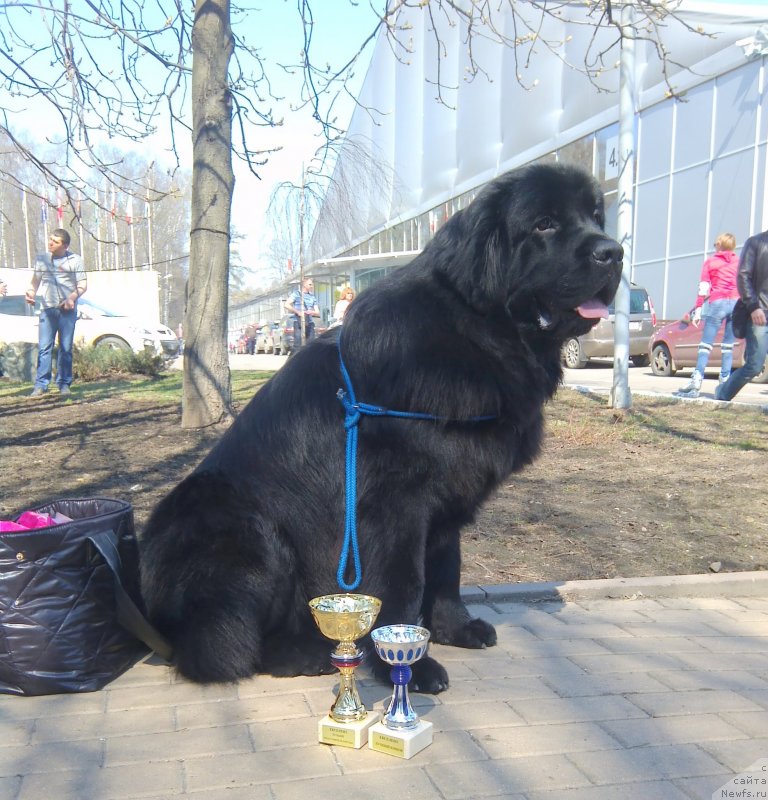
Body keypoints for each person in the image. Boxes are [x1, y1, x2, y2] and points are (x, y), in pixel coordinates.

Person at [677, 233, 740, 398]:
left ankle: (696, 380)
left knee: (705, 345)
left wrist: (698, 309)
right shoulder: (738, 262)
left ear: (719, 245)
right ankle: (725, 383)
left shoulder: (711, 262)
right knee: (728, 346)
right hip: (736, 303)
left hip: (717, 302)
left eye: (715, 244)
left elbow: (704, 287)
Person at [26, 229, 87, 397]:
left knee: (65, 348)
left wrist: (71, 299)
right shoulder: (42, 260)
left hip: (67, 311)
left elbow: (83, 285)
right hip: (47, 309)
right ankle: (41, 385)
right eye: (50, 239)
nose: (50, 243)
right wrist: (30, 293)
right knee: (45, 348)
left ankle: (64, 383)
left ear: (65, 246)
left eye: (55, 241)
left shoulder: (75, 260)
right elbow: (34, 283)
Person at [715, 229, 768, 402]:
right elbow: (742, 276)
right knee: (755, 365)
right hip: (760, 314)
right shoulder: (756, 242)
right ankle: (723, 392)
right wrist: (753, 307)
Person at [284, 277, 319, 348]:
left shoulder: (312, 296)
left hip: (309, 322)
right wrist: (298, 312)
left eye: (312, 285)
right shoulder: (297, 294)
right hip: (298, 322)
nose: (311, 286)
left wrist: (312, 312)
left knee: (311, 345)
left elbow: (317, 312)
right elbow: (286, 304)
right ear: (304, 285)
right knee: (298, 344)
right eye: (310, 284)